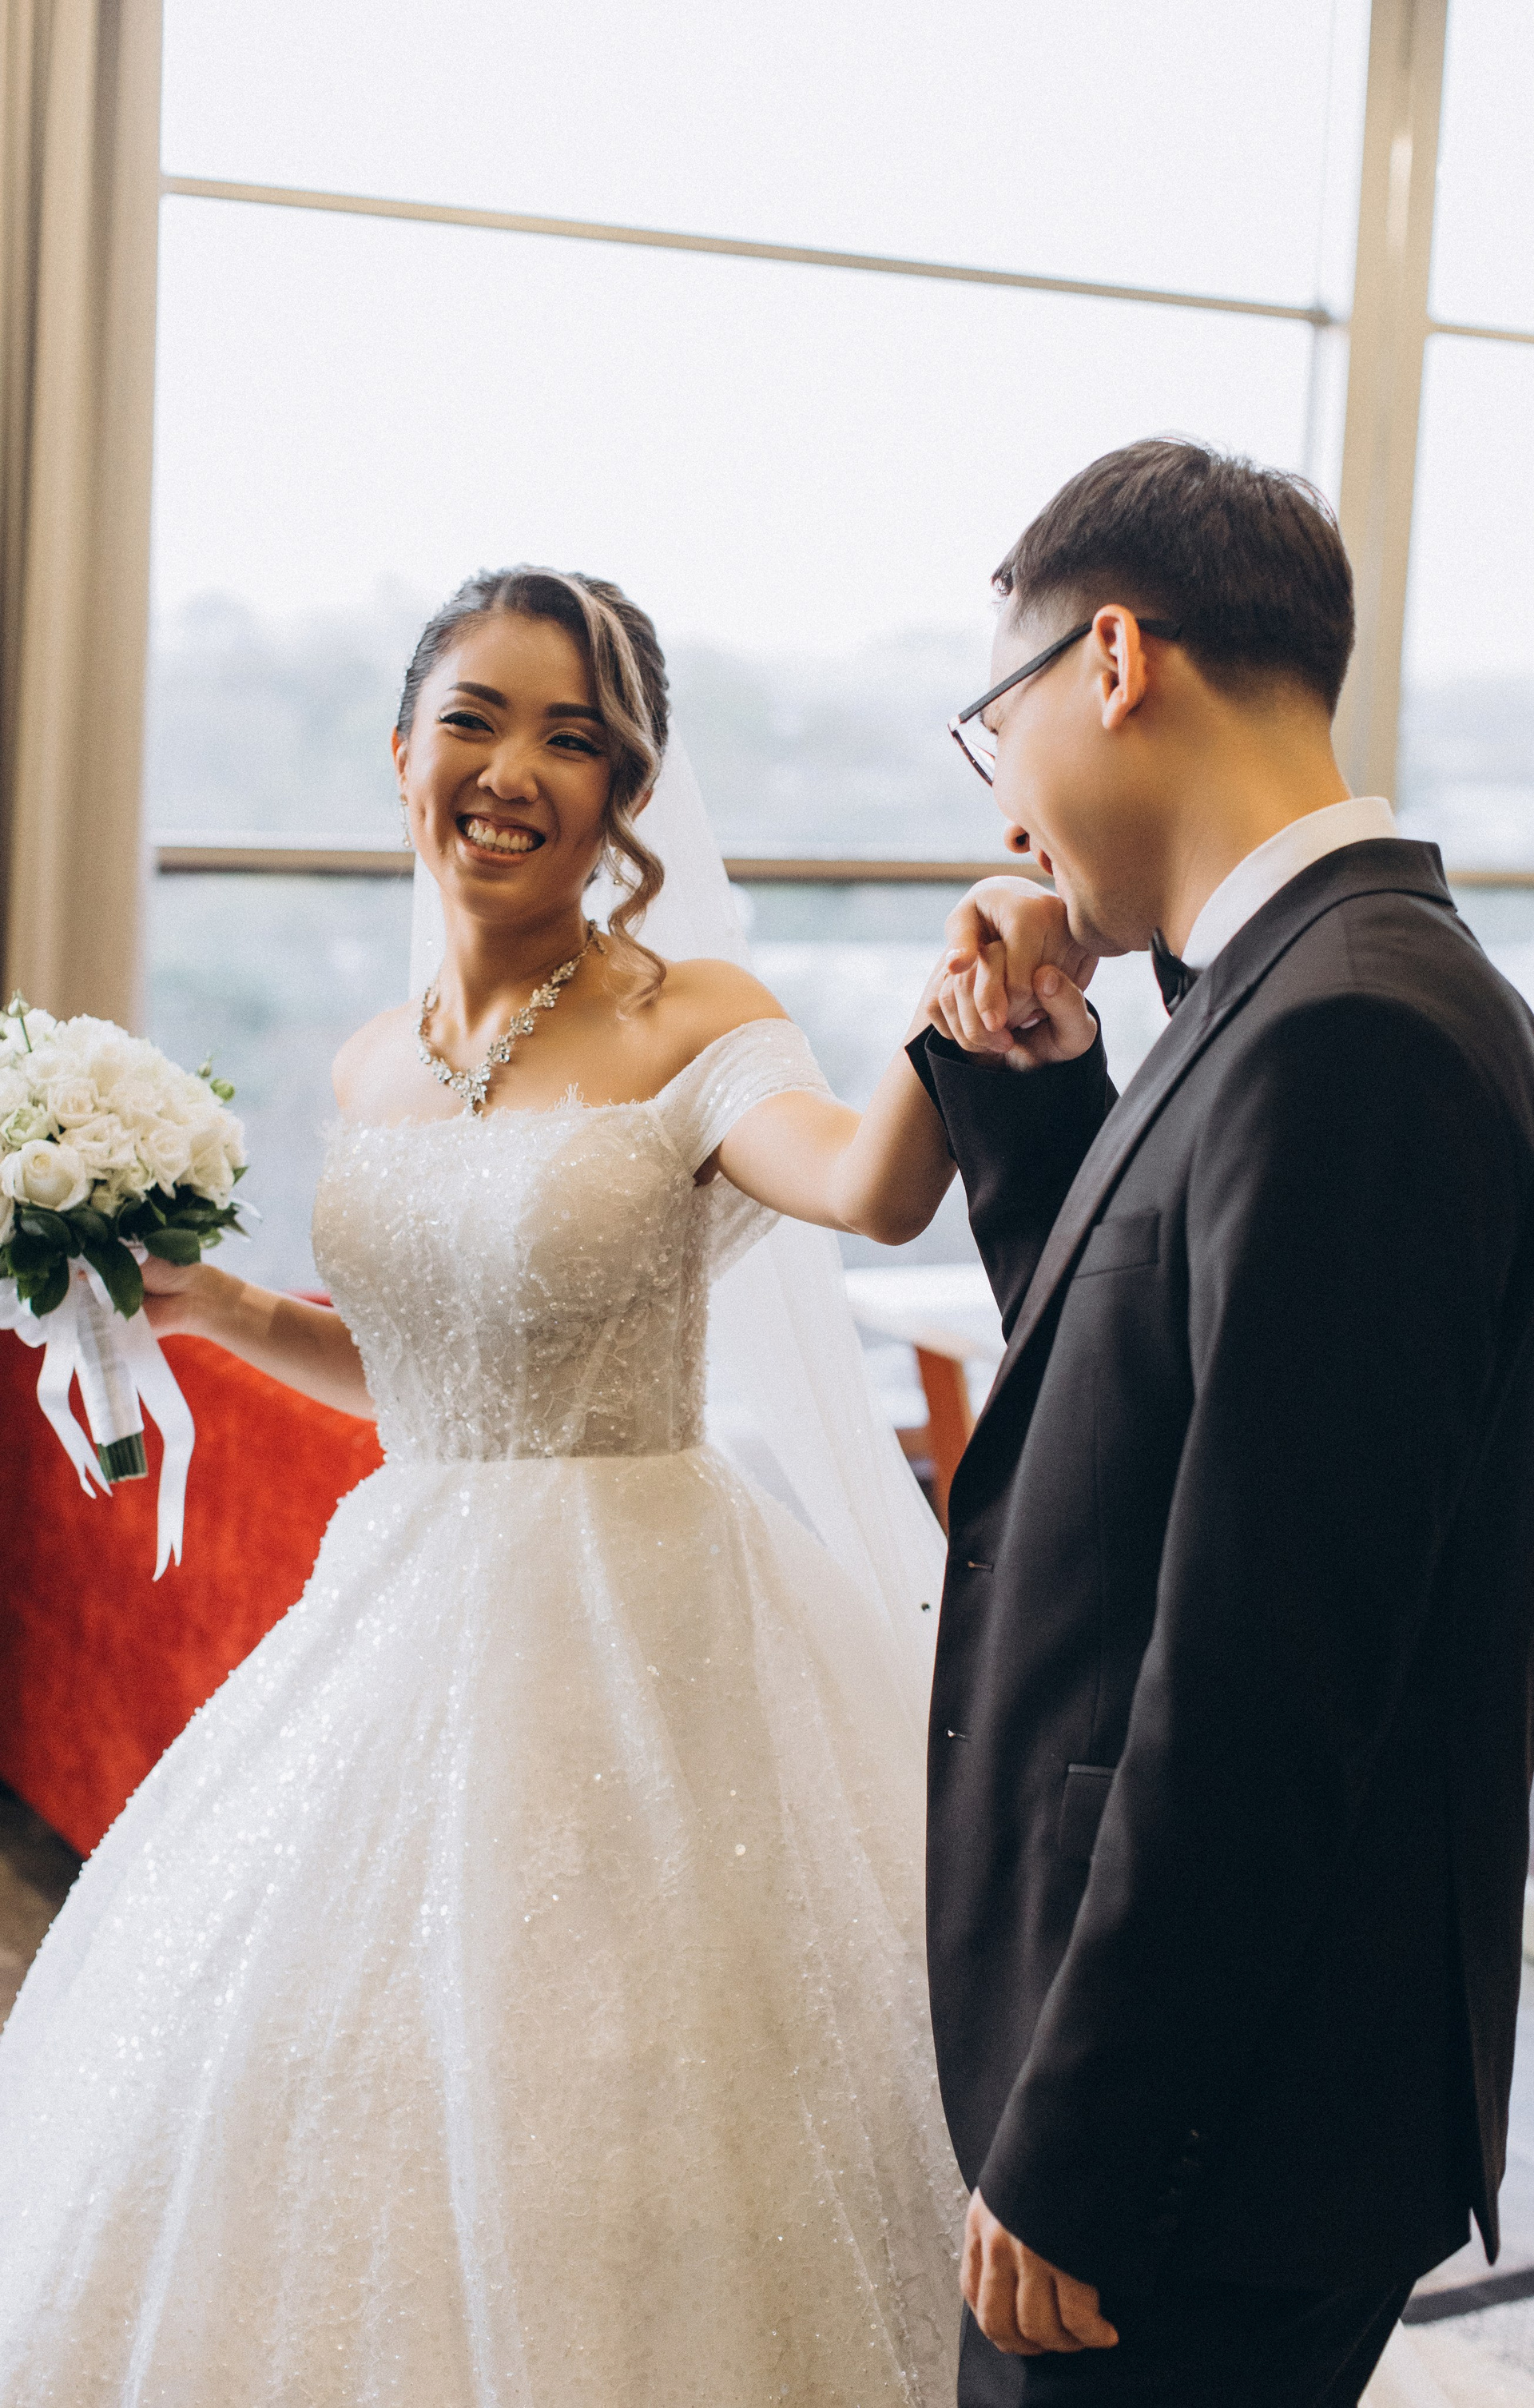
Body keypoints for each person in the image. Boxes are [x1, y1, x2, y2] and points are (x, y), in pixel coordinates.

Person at [0, 566, 973, 2405]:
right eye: (474, 717)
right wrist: (224, 1309)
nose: (513, 768)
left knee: (631, 2079)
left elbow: (868, 1185)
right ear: (401, 751)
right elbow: (436, 1375)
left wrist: (956, 1012)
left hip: (644, 1630)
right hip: (407, 1609)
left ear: (626, 794)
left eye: (572, 736)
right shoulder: (372, 1064)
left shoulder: (693, 1017)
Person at [908, 439, 1534, 2406]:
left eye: (991, 727)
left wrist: (1089, 2144)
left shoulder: (1354, 1033)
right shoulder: (1289, 993)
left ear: (1111, 659)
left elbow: (1271, 1669)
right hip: (1221, 2100)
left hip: (1205, 2140)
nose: (1001, 801)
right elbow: (1146, 1426)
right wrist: (1039, 1093)